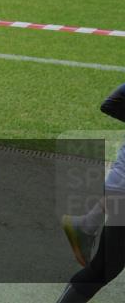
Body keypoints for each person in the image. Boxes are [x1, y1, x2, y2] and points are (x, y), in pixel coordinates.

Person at [57, 83, 125, 302]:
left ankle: (87, 223)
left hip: (118, 185)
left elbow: (111, 103)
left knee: (103, 269)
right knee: (102, 269)